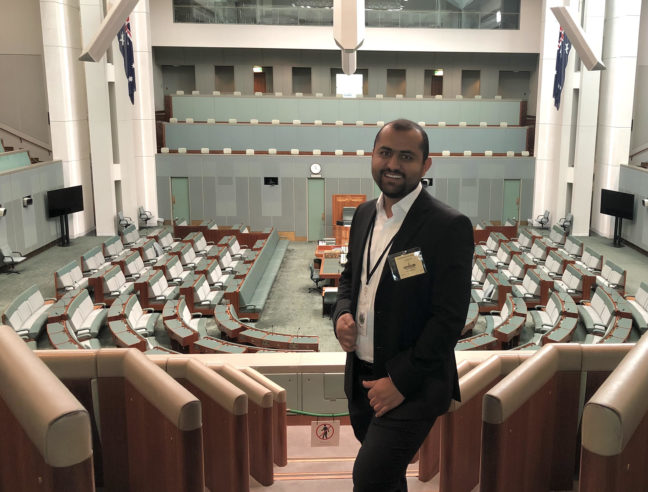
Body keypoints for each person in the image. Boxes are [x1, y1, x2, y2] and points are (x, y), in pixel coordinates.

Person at [332, 119, 474, 492]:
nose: (393, 164)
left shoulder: (449, 225)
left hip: (413, 381)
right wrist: (341, 313)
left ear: (426, 166)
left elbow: (449, 318)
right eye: (386, 153)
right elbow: (351, 278)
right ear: (372, 157)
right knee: (388, 478)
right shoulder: (363, 214)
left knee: (369, 478)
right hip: (362, 376)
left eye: (407, 157)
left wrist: (400, 381)